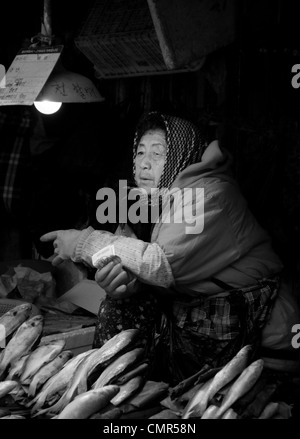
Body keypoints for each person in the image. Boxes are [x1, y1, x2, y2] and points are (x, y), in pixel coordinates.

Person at [40, 111, 283, 385]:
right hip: (209, 323)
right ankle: (107, 393)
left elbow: (159, 264)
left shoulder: (211, 194)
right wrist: (127, 283)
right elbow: (158, 271)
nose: (144, 164)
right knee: (121, 301)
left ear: (182, 154)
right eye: (140, 152)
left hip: (260, 335)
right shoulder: (164, 198)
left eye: (157, 154)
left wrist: (82, 243)